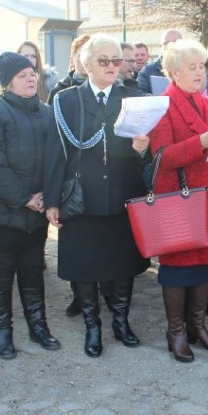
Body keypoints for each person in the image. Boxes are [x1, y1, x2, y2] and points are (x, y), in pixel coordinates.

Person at [43, 35, 150, 359]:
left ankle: (120, 321)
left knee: (123, 266)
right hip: (81, 198)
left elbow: (148, 155)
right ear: (86, 63)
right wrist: (51, 200)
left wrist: (143, 151)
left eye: (117, 61)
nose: (111, 67)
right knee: (84, 267)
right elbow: (54, 153)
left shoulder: (136, 98)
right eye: (103, 60)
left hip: (123, 195)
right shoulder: (65, 100)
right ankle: (93, 326)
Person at [147, 40, 208, 360]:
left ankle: (197, 325)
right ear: (174, 72)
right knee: (177, 268)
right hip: (180, 198)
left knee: (207, 266)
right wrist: (200, 141)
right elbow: (161, 157)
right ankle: (176, 331)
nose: (200, 72)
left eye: (202, 66)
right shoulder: (162, 105)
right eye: (193, 67)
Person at [0, 52, 60, 359]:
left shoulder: (46, 112)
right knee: (1, 275)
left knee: (33, 271)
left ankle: (39, 326)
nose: (30, 78)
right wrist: (24, 198)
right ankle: (2, 332)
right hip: (0, 212)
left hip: (35, 212)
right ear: (7, 82)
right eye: (22, 75)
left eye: (32, 73)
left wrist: (47, 194)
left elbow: (55, 158)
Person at [48, 34, 92, 104]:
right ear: (72, 60)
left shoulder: (103, 88)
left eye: (88, 55)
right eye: (80, 56)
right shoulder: (59, 91)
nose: (84, 60)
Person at [138, 29, 182, 94]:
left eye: (175, 42)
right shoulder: (148, 71)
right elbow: (140, 94)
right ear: (161, 47)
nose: (170, 46)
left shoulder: (191, 69)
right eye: (166, 43)